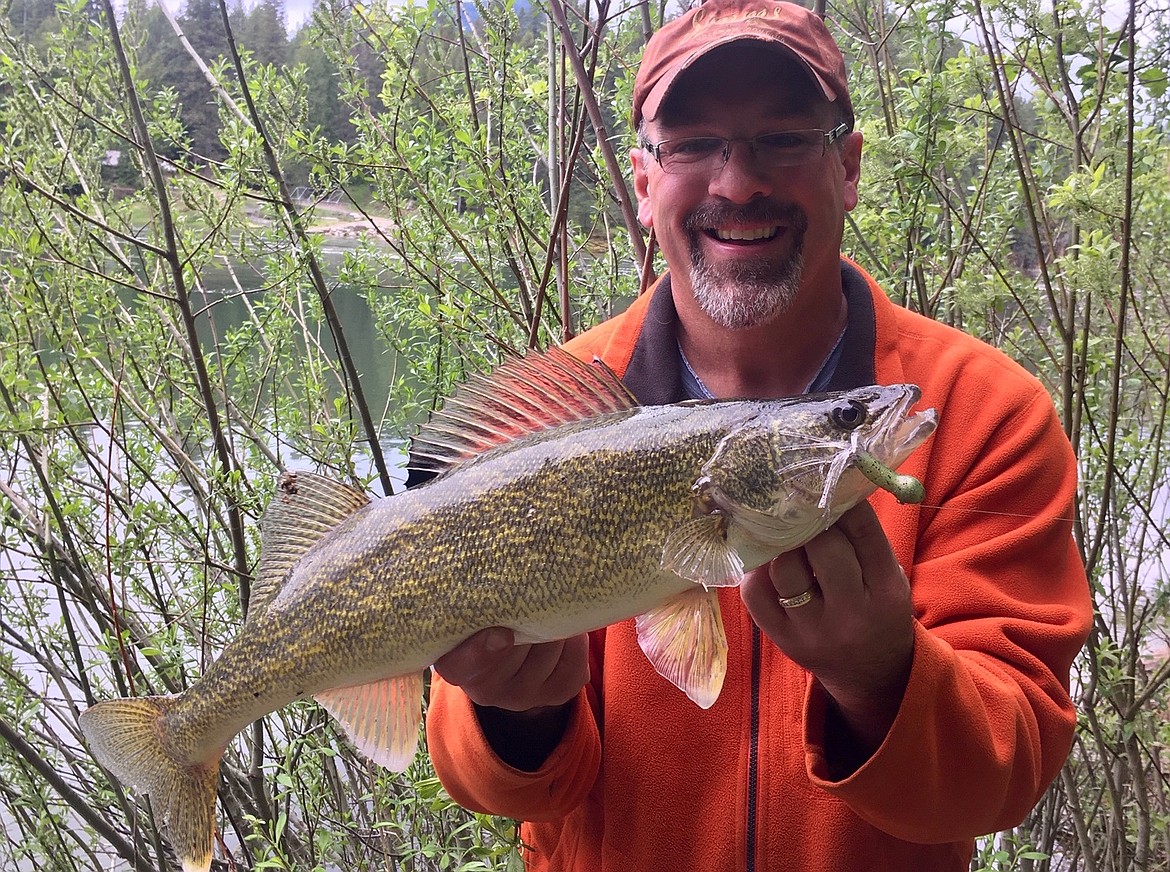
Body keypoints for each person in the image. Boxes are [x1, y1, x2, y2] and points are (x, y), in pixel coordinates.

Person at [423, 1, 1093, 869]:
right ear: (642, 182)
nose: (737, 183)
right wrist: (515, 713)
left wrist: (882, 676)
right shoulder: (551, 422)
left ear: (847, 167)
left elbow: (1005, 773)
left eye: (783, 139)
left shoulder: (985, 413)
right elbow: (493, 787)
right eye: (693, 144)